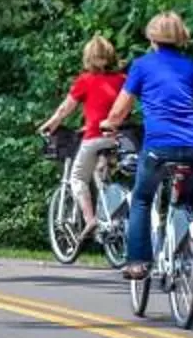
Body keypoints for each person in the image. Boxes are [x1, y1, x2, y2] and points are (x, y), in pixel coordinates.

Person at [98, 11, 193, 278]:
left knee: (142, 198)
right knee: (186, 196)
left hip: (159, 147)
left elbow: (120, 110)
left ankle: (138, 262)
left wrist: (109, 123)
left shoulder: (142, 65)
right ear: (180, 37)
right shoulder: (191, 67)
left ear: (152, 38)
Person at [34, 33, 128, 231]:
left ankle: (90, 219)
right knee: (100, 170)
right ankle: (112, 207)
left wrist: (50, 124)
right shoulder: (122, 79)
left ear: (88, 57)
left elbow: (65, 109)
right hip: (118, 137)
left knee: (77, 178)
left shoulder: (85, 80)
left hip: (94, 136)